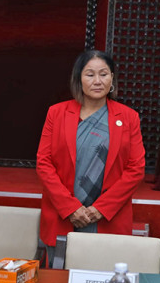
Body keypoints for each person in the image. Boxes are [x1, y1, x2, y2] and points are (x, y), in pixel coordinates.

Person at [36, 50, 146, 263]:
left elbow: (135, 169)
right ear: (78, 78)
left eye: (103, 74)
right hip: (63, 215)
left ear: (112, 78)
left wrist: (101, 208)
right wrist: (70, 207)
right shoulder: (57, 113)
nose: (97, 81)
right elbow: (44, 163)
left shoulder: (128, 117)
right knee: (59, 280)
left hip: (108, 219)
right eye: (90, 74)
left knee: (105, 278)